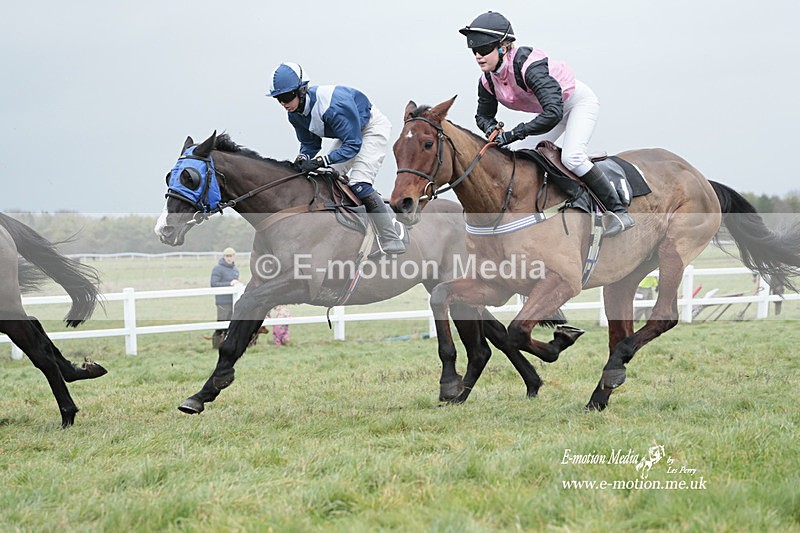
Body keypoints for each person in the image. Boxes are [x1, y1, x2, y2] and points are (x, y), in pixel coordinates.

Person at [458, 11, 635, 237]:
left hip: (576, 103)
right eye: (474, 51)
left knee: (572, 157)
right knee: (522, 156)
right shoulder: (487, 81)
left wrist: (514, 133)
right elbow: (482, 116)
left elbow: (553, 112)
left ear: (503, 47)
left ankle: (618, 211)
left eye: (483, 50)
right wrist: (491, 129)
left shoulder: (527, 65)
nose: (478, 57)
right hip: (551, 111)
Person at [266, 62, 406, 254]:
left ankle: (390, 236)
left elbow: (353, 145)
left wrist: (322, 160)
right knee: (325, 177)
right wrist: (303, 157)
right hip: (349, 135)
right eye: (279, 99)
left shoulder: (333, 107)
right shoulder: (295, 115)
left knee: (359, 183)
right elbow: (310, 144)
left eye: (287, 96)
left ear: (301, 90)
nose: (284, 103)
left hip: (371, 129)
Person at [209, 247, 242, 348]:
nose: (229, 258)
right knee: (221, 323)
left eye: (231, 256)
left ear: (234, 257)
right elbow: (214, 284)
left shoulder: (235, 270)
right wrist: (229, 284)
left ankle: (228, 345)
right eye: (227, 256)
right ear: (224, 257)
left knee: (231, 324)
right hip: (222, 301)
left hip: (233, 300)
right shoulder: (217, 269)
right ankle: (215, 346)